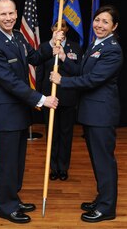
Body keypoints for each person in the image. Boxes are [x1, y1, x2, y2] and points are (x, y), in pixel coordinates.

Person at [0, 0, 63, 224]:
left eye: (11, 13)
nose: (8, 18)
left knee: (17, 161)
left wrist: (51, 43)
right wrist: (41, 99)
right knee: (8, 163)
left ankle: (13, 199)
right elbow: (10, 82)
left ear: (17, 14)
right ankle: (6, 207)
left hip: (20, 111)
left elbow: (35, 58)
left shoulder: (17, 36)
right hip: (7, 113)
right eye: (3, 14)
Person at [50, 5, 123, 223]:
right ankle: (102, 199)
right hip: (91, 113)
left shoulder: (113, 49)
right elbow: (83, 70)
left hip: (102, 114)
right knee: (97, 160)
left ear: (114, 26)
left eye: (105, 22)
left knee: (104, 161)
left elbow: (92, 80)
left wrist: (63, 80)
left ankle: (107, 208)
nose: (99, 25)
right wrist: (63, 57)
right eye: (97, 20)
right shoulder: (95, 43)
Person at [36, 19, 83, 181]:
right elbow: (40, 74)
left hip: (68, 97)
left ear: (67, 29)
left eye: (63, 26)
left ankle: (63, 167)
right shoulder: (44, 47)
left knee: (65, 134)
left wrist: (64, 58)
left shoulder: (75, 48)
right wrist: (39, 97)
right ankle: (53, 167)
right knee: (52, 134)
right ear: (52, 28)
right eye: (56, 25)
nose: (60, 28)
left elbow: (78, 72)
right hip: (49, 98)